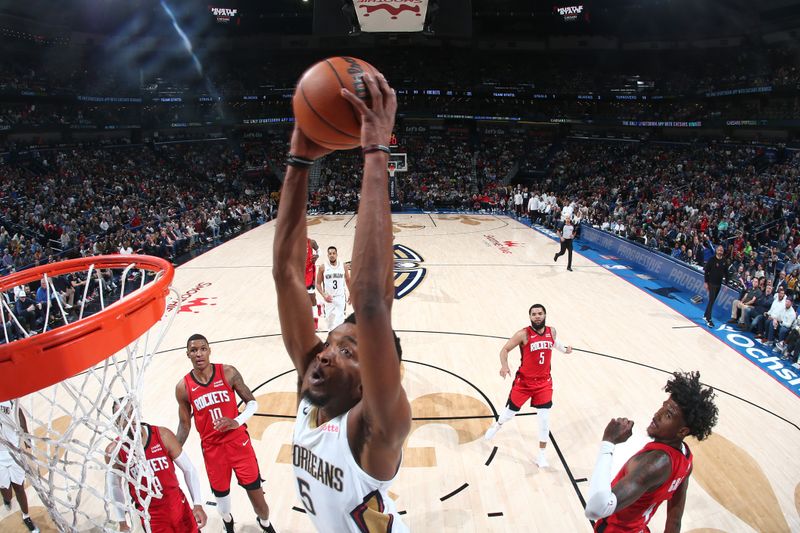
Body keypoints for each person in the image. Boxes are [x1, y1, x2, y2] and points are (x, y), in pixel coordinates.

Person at [272, 71, 410, 532]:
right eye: (333, 343)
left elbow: (371, 303)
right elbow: (288, 274)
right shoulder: (313, 391)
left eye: (348, 351)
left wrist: (376, 151)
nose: (327, 353)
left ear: (372, 379)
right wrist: (298, 159)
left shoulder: (376, 429)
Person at [585, 371, 719, 533]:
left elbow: (596, 509)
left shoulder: (655, 464)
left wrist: (609, 442)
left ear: (682, 431)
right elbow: (674, 520)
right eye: (663, 406)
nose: (658, 415)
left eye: (668, 415)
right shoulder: (686, 458)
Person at [176, 334, 276, 533]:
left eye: (203, 348)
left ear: (209, 350)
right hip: (212, 450)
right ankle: (227, 521)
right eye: (194, 350)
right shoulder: (183, 387)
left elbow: (252, 402)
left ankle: (264, 523)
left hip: (238, 444)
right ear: (187, 354)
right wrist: (172, 449)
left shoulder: (228, 372)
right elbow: (184, 425)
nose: (199, 354)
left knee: (259, 502)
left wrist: (235, 421)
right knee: (223, 502)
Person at [484, 304, 572, 468]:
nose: (537, 316)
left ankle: (541, 456)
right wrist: (504, 366)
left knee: (544, 420)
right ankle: (498, 425)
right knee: (509, 414)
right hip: (524, 382)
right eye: (534, 314)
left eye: (540, 313)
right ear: (530, 317)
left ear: (545, 315)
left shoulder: (552, 331)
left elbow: (554, 342)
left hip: (544, 383)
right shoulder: (523, 334)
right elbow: (504, 350)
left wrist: (565, 349)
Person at [105, 400, 207, 532]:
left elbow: (189, 469)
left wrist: (197, 503)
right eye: (122, 416)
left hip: (180, 509)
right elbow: (114, 486)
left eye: (132, 412)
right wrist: (122, 522)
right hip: (152, 518)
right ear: (116, 423)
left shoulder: (163, 435)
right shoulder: (114, 452)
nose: (129, 418)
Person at [0, 400, 39, 532]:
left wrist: (26, 434)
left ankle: (26, 517)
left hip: (14, 451)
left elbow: (19, 412)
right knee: (7, 493)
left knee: (19, 488)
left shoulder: (8, 397)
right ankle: (6, 499)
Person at [316, 245, 350, 331]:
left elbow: (348, 280)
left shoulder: (343, 266)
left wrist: (351, 293)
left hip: (340, 298)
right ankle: (332, 340)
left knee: (340, 322)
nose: (332, 255)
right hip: (328, 298)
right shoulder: (322, 267)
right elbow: (318, 284)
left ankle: (339, 343)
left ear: (337, 254)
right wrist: (324, 295)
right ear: (327, 255)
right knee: (330, 324)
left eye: (334, 253)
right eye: (330, 253)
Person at [703, 245, 729, 328]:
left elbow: (727, 273)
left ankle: (705, 315)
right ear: (716, 250)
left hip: (719, 284)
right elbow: (706, 271)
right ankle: (708, 319)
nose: (720, 251)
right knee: (711, 300)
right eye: (719, 250)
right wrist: (706, 282)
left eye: (721, 250)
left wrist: (726, 284)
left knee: (712, 300)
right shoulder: (712, 259)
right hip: (711, 283)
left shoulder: (724, 261)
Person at [306, 238, 320, 328]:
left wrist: (317, 256)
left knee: (311, 296)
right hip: (299, 271)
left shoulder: (311, 242)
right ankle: (320, 303)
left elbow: (319, 251)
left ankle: (315, 319)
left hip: (310, 271)